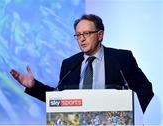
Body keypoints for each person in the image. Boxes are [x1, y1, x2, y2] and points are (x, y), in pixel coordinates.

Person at [10, 14, 154, 113]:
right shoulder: (69, 64)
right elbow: (58, 99)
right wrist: (34, 86)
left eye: (86, 33)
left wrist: (132, 116)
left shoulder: (121, 58)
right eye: (78, 35)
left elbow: (145, 89)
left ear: (100, 35)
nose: (81, 39)